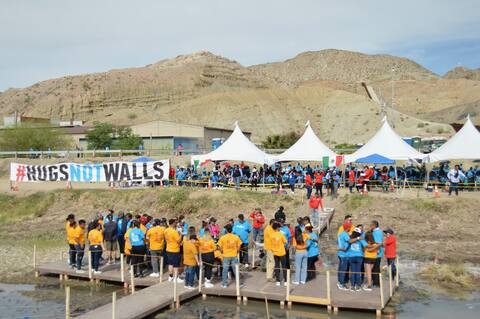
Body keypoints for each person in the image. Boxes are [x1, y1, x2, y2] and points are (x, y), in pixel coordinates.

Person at [217, 224, 242, 288]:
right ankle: (238, 284)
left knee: (225, 270)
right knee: (236, 270)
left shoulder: (223, 237)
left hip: (226, 256)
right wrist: (237, 251)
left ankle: (224, 284)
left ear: (226, 230)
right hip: (234, 255)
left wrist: (222, 251)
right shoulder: (236, 237)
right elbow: (239, 246)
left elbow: (219, 246)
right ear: (231, 229)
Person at [371, 220, 383, 287]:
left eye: (371, 225)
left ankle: (376, 283)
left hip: (376, 254)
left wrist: (375, 251)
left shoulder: (377, 232)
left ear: (374, 225)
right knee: (375, 268)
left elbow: (378, 243)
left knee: (375, 268)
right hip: (376, 253)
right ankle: (375, 282)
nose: (370, 226)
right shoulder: (376, 232)